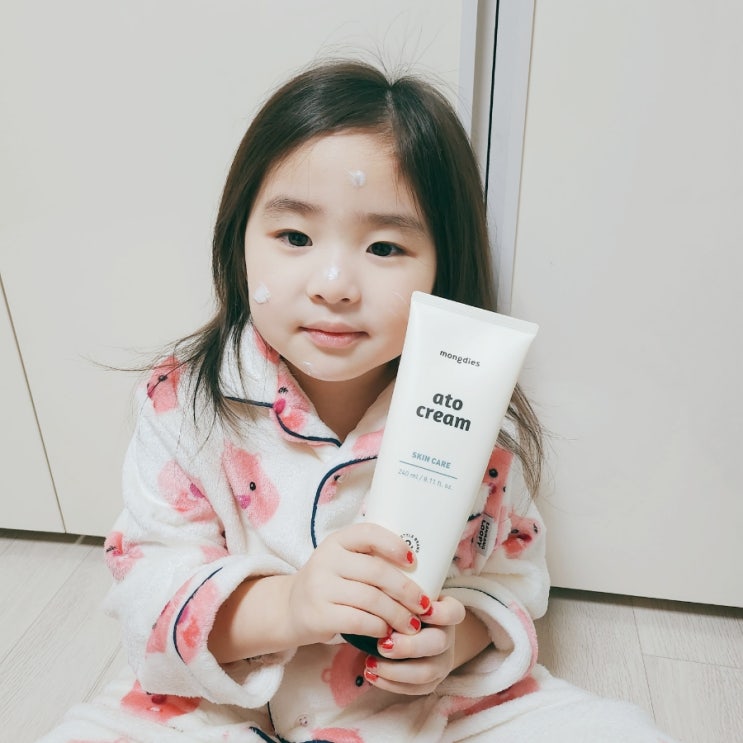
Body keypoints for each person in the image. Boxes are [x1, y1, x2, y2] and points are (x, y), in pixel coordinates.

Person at [39, 60, 677, 743]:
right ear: (238, 239)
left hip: (420, 707)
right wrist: (290, 605)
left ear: (444, 264)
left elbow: (510, 578)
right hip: (220, 700)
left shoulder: (474, 415)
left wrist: (447, 644)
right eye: (294, 237)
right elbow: (149, 583)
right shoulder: (184, 405)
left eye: (383, 246)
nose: (334, 284)